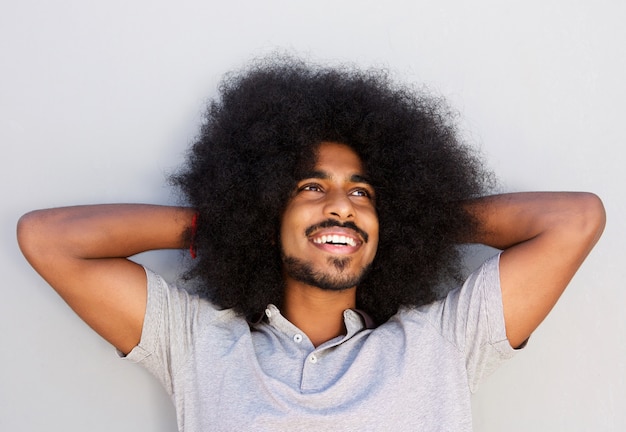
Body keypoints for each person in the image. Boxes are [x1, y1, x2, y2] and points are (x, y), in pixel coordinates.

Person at [17, 57, 605, 431]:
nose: (341, 204)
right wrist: (233, 218)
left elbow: (575, 219)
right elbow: (48, 239)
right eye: (309, 186)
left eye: (362, 194)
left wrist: (412, 217)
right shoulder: (199, 344)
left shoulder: (444, 343)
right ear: (266, 209)